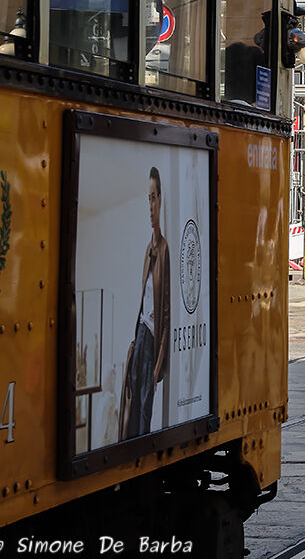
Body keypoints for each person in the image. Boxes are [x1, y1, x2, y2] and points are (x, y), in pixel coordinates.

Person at [120, 167, 171, 440]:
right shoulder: (148, 250)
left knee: (143, 412)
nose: (151, 205)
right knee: (132, 408)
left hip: (151, 341)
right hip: (141, 336)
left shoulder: (164, 250)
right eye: (148, 199)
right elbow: (143, 303)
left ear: (161, 200)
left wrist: (156, 366)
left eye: (154, 198)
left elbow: (165, 315)